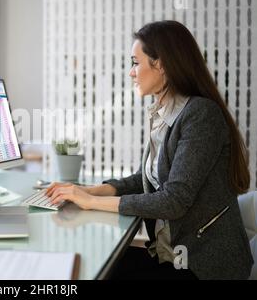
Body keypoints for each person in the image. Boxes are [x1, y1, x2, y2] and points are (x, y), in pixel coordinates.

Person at [46, 20, 254, 280]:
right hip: (173, 254)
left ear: (162, 64)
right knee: (91, 261)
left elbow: (172, 201)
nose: (131, 72)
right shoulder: (164, 112)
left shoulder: (200, 115)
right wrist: (87, 191)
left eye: (135, 62)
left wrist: (91, 202)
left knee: (98, 271)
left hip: (204, 266)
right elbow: (142, 180)